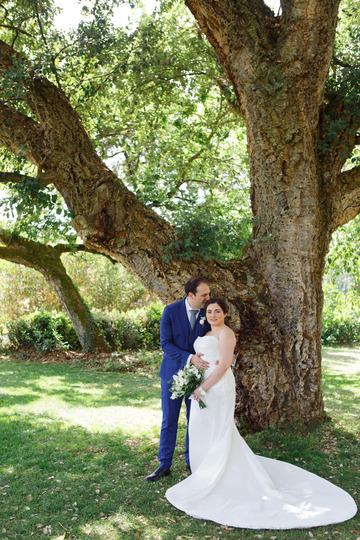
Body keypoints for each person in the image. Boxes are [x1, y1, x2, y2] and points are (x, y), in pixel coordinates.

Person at [166, 298, 357, 529]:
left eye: (217, 311)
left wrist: (203, 388)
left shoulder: (226, 333)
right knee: (201, 428)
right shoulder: (206, 332)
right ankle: (204, 473)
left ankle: (221, 476)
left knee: (218, 430)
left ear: (225, 314)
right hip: (202, 385)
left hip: (215, 388)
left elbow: (225, 363)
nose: (213, 315)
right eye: (209, 311)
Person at [145, 276, 211, 482]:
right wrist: (189, 358)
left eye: (209, 294)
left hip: (198, 377)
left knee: (195, 421)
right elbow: (166, 344)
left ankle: (193, 463)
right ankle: (164, 465)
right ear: (190, 295)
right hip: (172, 374)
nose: (208, 298)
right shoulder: (170, 311)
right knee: (169, 420)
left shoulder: (208, 313)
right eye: (204, 295)